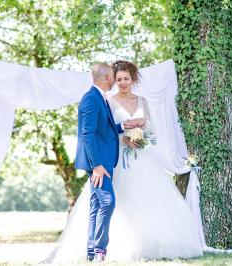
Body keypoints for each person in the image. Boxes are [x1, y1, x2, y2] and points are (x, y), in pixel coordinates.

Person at [46, 61, 202, 264]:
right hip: (115, 159)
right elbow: (94, 133)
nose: (121, 82)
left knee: (143, 201)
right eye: (117, 78)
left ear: (133, 79)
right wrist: (122, 142)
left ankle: (102, 249)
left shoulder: (134, 100)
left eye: (125, 78)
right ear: (110, 79)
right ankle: (98, 250)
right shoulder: (102, 100)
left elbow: (120, 128)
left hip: (141, 157)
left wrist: (137, 131)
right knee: (107, 202)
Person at [73, 63, 143, 262]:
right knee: (107, 201)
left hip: (103, 160)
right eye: (113, 76)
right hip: (98, 163)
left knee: (96, 204)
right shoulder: (90, 99)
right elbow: (88, 134)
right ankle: (100, 250)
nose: (115, 79)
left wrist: (124, 125)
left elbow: (104, 129)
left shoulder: (99, 98)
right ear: (106, 78)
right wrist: (96, 165)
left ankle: (91, 251)